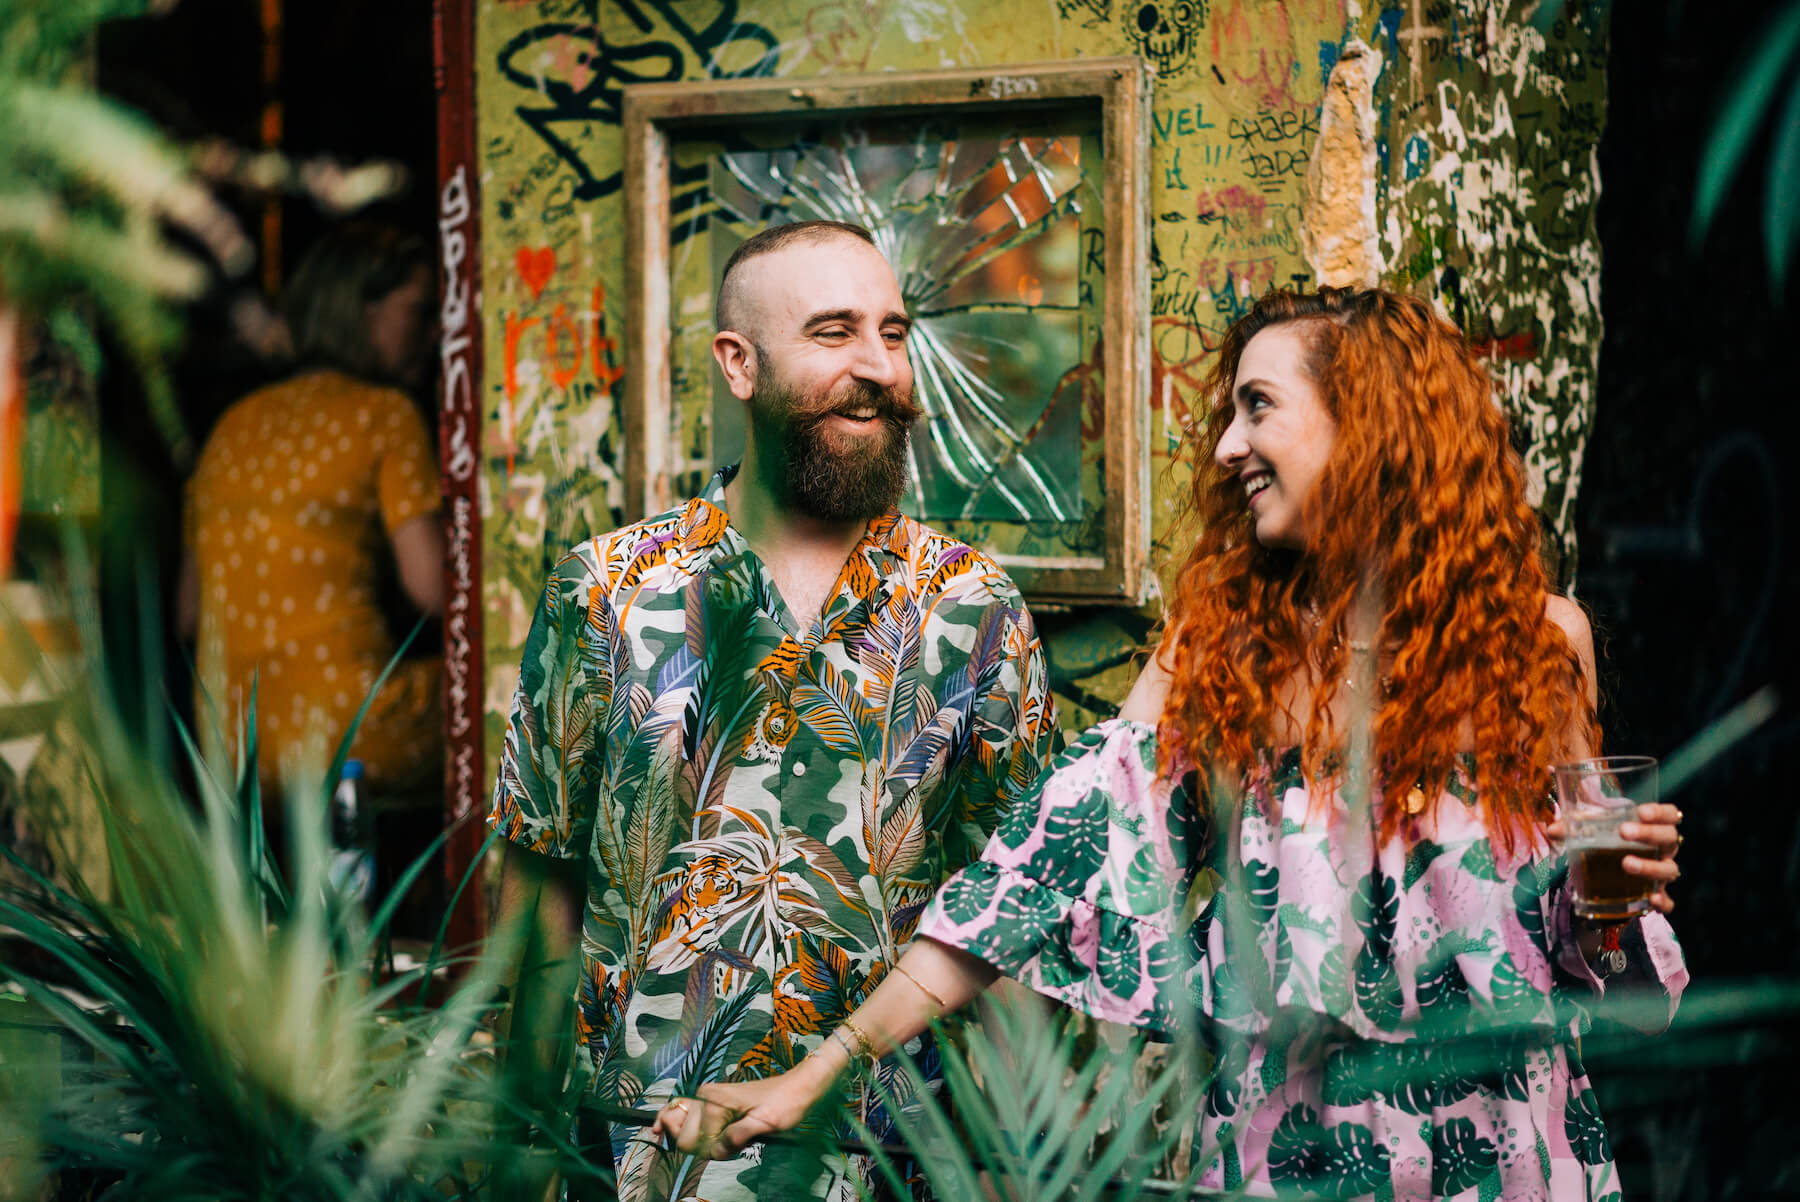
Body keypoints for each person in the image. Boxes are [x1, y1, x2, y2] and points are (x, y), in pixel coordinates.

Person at [652, 287, 1688, 1201]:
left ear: (1370, 420)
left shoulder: (1541, 641)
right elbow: (1034, 870)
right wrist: (815, 1071)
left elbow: (1579, 943)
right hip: (1287, 1155)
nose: (1230, 444)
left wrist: (1618, 894)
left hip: (1507, 1158)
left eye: (1259, 405)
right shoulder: (1223, 653)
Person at [488, 220, 1059, 1201]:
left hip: (901, 1165)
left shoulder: (974, 605)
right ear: (739, 363)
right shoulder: (609, 593)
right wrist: (512, 1154)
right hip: (642, 1164)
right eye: (834, 332)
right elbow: (540, 888)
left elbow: (1012, 913)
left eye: (894, 330)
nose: (878, 365)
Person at [180, 222, 443, 794]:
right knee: (501, 690)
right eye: (420, 313)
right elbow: (435, 589)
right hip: (347, 740)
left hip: (232, 752)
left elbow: (187, 614)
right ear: (361, 310)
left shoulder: (231, 425)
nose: (437, 335)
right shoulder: (386, 414)